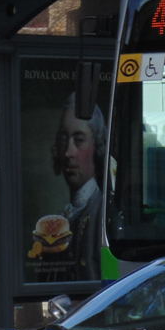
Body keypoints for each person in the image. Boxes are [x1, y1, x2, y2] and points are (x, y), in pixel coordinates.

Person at [51, 94, 107, 282]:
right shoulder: (65, 216)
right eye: (63, 139)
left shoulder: (103, 213)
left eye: (79, 140)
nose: (68, 152)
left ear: (97, 147)